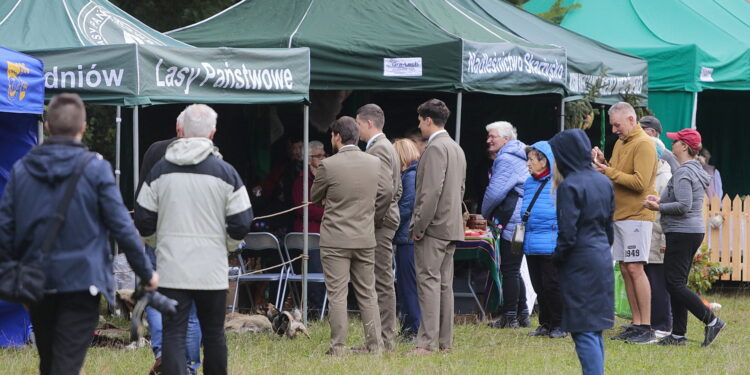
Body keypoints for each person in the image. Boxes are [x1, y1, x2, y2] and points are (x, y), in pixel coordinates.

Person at [0, 93, 158, 375]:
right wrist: (147, 273)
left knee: (50, 362)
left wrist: (13, 272)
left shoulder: (22, 169)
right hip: (82, 281)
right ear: (83, 127)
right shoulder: (96, 169)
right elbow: (122, 225)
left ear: (47, 126)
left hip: (37, 281)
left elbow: (5, 230)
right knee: (66, 364)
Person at [135, 104, 253, 375]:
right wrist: (226, 246)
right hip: (211, 270)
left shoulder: (159, 171)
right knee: (214, 335)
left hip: (172, 268)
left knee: (173, 334)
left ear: (181, 130)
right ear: (212, 133)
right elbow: (242, 222)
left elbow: (142, 218)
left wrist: (158, 242)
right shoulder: (226, 172)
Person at [644, 129, 727, 347]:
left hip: (682, 232)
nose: (673, 144)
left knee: (674, 283)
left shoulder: (683, 172)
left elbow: (683, 205)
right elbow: (682, 200)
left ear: (683, 147)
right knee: (676, 283)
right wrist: (660, 198)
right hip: (689, 231)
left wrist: (658, 206)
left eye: (676, 141)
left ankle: (712, 321)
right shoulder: (693, 170)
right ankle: (678, 334)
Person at [311, 116, 383, 355]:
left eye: (332, 135)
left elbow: (315, 196)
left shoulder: (328, 165)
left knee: (338, 295)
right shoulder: (374, 163)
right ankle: (375, 345)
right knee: (368, 293)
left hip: (336, 239)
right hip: (364, 237)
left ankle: (338, 347)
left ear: (338, 137)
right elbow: (383, 193)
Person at [137, 116, 203, 375]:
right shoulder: (208, 156)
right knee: (192, 308)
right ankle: (188, 365)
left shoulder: (155, 150)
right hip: (194, 238)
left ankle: (163, 353)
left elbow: (141, 196)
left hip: (159, 234)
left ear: (177, 128)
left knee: (155, 296)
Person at [549, 129, 615, 375]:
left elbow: (568, 233)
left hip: (579, 259)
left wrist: (557, 258)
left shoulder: (570, 186)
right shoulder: (603, 181)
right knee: (594, 326)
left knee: (582, 328)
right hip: (600, 256)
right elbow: (609, 229)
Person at [592, 102, 658, 344]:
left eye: (617, 125)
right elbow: (619, 175)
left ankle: (647, 326)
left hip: (637, 215)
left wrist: (607, 172)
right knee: (625, 268)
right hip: (620, 215)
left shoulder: (644, 144)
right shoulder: (622, 142)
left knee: (635, 269)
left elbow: (639, 183)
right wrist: (605, 164)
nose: (614, 130)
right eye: (612, 125)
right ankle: (636, 324)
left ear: (631, 119)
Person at [409, 99, 466, 355]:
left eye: (420, 120)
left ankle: (427, 343)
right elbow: (460, 189)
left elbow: (430, 193)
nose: (419, 125)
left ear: (428, 120)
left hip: (433, 227)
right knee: (444, 285)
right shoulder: (455, 148)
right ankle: (444, 342)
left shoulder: (435, 149)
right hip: (451, 226)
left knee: (429, 284)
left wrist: (419, 224)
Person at [356, 103, 402, 351]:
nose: (358, 130)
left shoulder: (379, 149)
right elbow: (397, 188)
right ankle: (381, 339)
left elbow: (385, 190)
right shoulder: (387, 147)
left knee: (381, 281)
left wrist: (373, 218)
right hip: (386, 219)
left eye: (359, 125)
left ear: (369, 123)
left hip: (380, 222)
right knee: (379, 279)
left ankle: (384, 340)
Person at [480, 121, 530, 329]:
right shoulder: (518, 154)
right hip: (521, 222)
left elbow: (495, 192)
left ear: (506, 139)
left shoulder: (506, 159)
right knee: (514, 268)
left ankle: (510, 316)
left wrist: (484, 214)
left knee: (509, 268)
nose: (488, 140)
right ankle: (523, 313)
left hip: (514, 222)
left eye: (493, 136)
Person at [521, 141, 565, 339]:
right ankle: (545, 324)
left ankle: (560, 324)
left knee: (552, 285)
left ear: (544, 160)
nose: (528, 163)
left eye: (531, 159)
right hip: (531, 240)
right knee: (538, 284)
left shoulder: (559, 182)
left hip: (551, 240)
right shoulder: (529, 183)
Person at [392, 138, 421, 342]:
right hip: (408, 238)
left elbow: (406, 207)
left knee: (407, 285)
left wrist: (388, 223)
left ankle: (412, 328)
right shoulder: (414, 174)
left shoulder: (410, 177)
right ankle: (410, 325)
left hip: (406, 239)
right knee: (406, 284)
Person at [645, 140, 673, 336]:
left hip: (657, 237)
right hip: (647, 236)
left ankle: (662, 324)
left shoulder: (665, 178)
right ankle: (649, 321)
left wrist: (664, 241)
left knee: (658, 283)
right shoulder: (650, 175)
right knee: (649, 280)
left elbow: (667, 214)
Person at [292, 140, 326, 233]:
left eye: (324, 155)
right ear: (308, 159)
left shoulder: (327, 177)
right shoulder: (301, 181)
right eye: (319, 156)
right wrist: (328, 213)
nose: (323, 158)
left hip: (326, 228)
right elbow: (303, 209)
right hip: (309, 231)